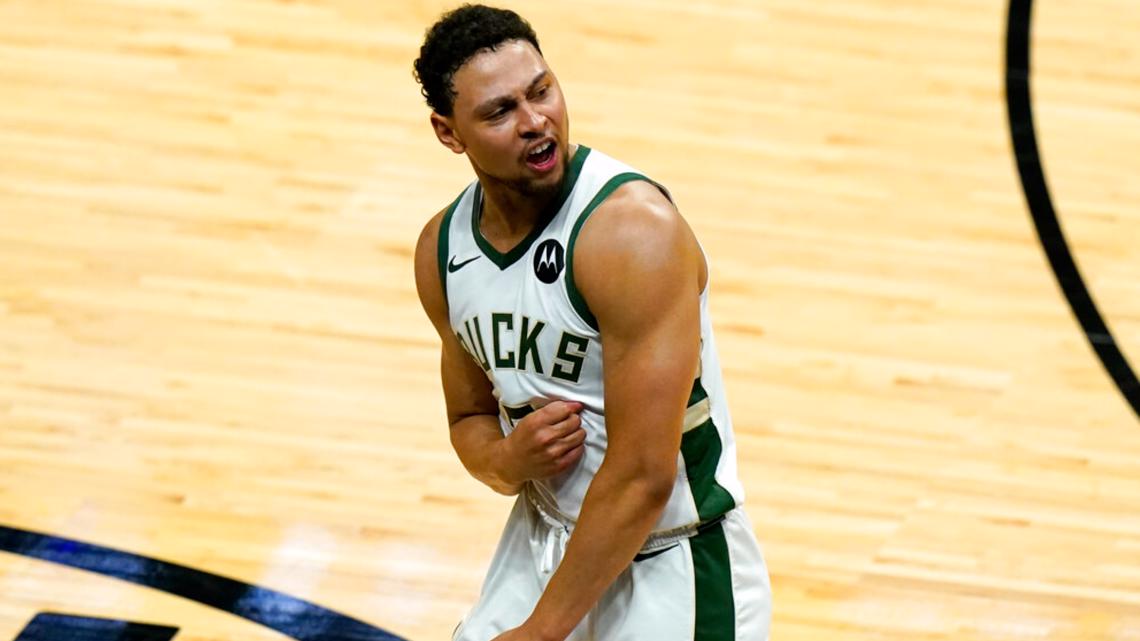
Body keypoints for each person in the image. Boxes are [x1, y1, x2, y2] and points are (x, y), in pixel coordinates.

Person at [411, 5, 771, 640]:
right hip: (541, 542)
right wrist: (506, 458)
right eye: (499, 111)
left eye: (541, 90)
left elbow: (642, 476)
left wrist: (542, 631)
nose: (535, 122)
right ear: (449, 132)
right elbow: (468, 420)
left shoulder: (632, 233)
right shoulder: (443, 249)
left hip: (673, 562)